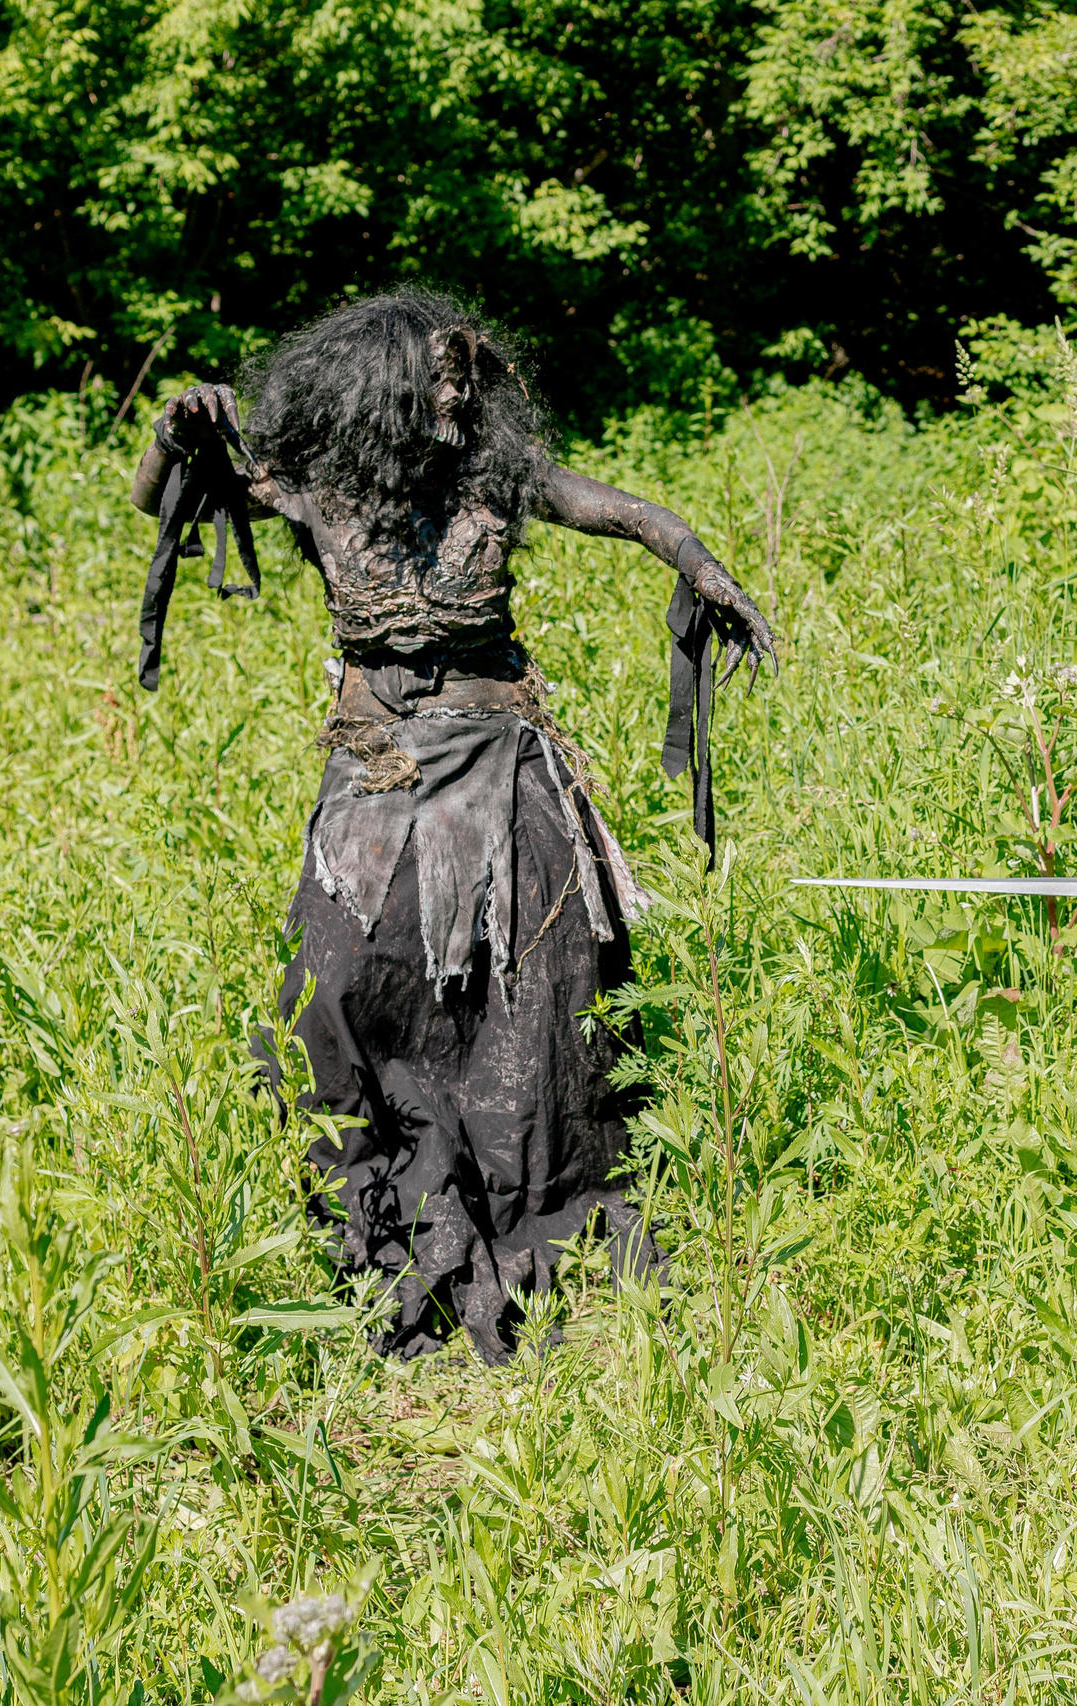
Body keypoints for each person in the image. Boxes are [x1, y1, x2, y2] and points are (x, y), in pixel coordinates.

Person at [127, 289, 777, 1362]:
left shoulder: (494, 479)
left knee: (534, 996)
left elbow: (631, 514)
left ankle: (539, 1214)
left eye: (465, 378)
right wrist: (171, 427)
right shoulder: (312, 485)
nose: (456, 394)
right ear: (378, 390)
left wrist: (706, 570)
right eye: (437, 378)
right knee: (336, 982)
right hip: (374, 773)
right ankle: (382, 1222)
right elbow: (157, 496)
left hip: (499, 764)